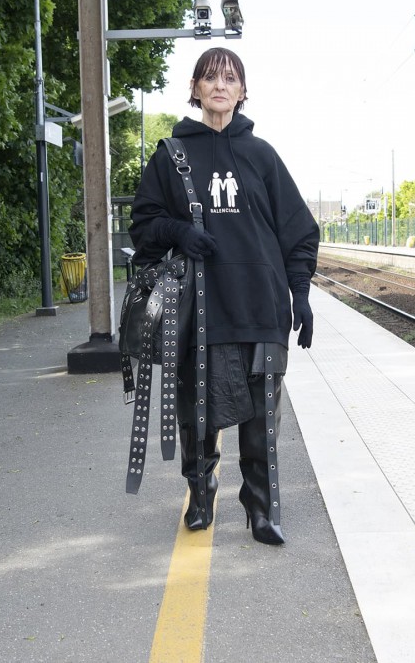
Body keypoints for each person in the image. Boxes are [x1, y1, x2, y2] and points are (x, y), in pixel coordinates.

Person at [129, 47, 319, 545]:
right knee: (197, 410)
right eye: (210, 77)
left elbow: (298, 231)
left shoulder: (263, 156)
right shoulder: (171, 155)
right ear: (194, 88)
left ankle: (261, 509)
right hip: (199, 308)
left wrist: (300, 293)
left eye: (230, 78)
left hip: (261, 304)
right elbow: (143, 225)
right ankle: (201, 491)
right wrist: (179, 232)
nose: (220, 85)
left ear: (242, 91)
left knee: (263, 419)